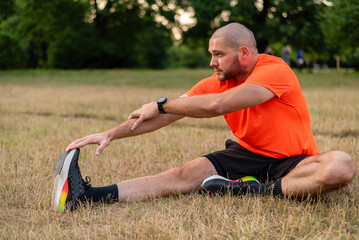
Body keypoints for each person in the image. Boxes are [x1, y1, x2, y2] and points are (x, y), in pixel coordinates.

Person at [52, 23, 356, 211]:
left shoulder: (276, 71)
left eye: (219, 54)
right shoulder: (217, 80)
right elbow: (167, 116)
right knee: (181, 175)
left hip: (294, 161)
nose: (212, 62)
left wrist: (160, 104)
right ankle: (88, 197)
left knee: (340, 166)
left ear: (245, 53)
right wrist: (111, 133)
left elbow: (217, 106)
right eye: (211, 54)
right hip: (246, 154)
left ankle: (248, 189)